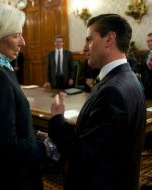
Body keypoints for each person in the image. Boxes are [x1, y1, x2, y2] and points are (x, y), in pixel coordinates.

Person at [48, 14, 146, 190]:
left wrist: (57, 120)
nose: (84, 48)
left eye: (89, 40)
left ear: (109, 39)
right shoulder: (129, 78)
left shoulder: (112, 90)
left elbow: (84, 154)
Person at [0, 4, 46, 190]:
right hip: (15, 180)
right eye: (16, 35)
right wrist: (46, 147)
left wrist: (37, 135)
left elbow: (9, 126)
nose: (23, 42)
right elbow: (6, 147)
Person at [141, 33, 152, 99]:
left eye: (151, 40)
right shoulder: (145, 54)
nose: (149, 43)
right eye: (148, 41)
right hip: (147, 89)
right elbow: (143, 71)